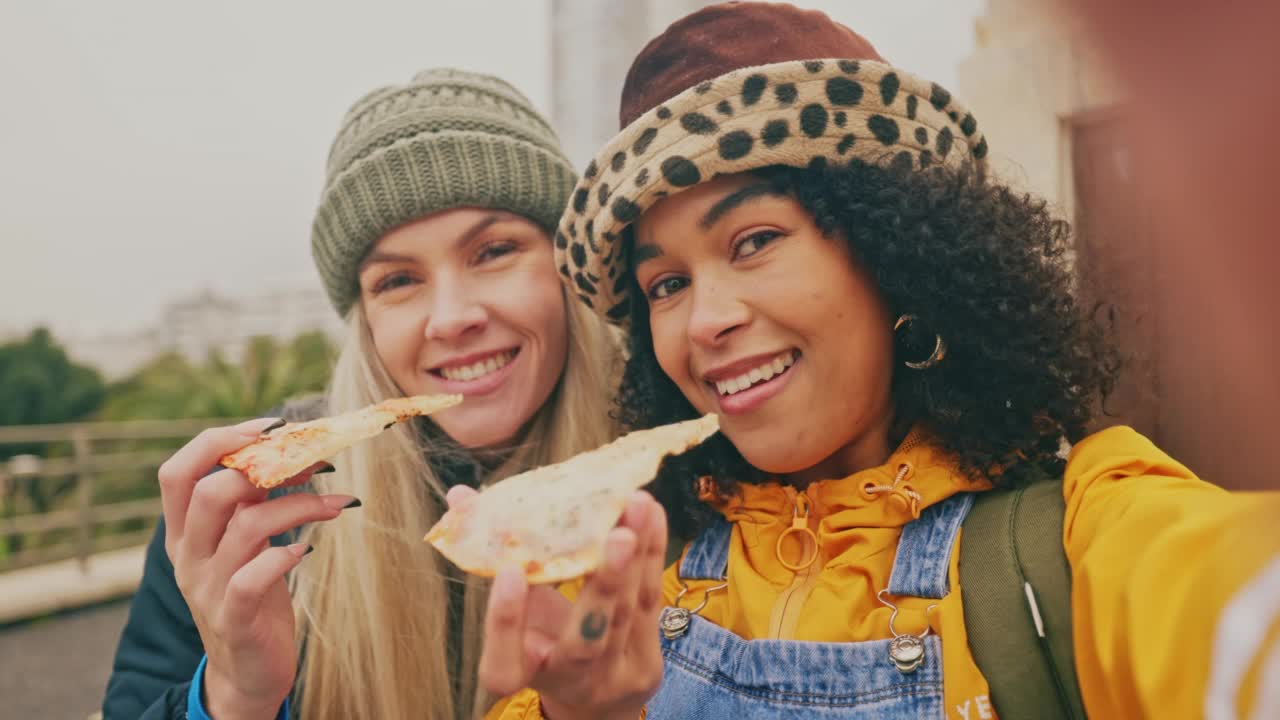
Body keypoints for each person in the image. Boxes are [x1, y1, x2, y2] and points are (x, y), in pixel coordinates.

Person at [472, 3, 1280, 718]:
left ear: (894, 255)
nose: (704, 322)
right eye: (667, 283)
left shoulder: (1079, 542)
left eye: (754, 242)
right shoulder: (619, 580)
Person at [102, 68, 620, 720]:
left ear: (565, 265)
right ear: (365, 319)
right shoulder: (253, 509)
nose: (451, 317)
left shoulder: (690, 473)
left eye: (493, 251)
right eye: (398, 279)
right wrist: (232, 698)